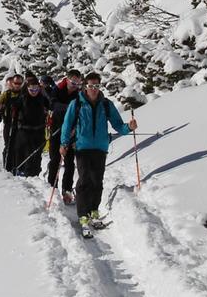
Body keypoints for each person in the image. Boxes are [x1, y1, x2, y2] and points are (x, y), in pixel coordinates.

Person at [60, 71, 136, 237]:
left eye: (96, 86)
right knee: (84, 180)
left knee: (97, 181)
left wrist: (129, 128)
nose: (94, 89)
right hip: (82, 147)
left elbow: (117, 125)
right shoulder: (77, 103)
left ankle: (94, 211)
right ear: (85, 86)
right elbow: (67, 124)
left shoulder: (106, 104)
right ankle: (83, 215)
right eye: (90, 86)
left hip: (101, 148)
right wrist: (64, 143)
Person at [46, 69, 83, 204]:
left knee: (69, 162)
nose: (75, 85)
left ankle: (66, 190)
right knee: (55, 159)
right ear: (67, 80)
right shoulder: (58, 89)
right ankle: (51, 188)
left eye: (78, 83)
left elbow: (81, 111)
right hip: (56, 128)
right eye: (73, 82)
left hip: (71, 131)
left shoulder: (79, 94)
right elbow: (53, 104)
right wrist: (69, 108)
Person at [10, 76, 51, 176]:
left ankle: (34, 173)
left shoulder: (42, 98)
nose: (34, 91)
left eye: (36, 89)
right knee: (23, 151)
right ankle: (21, 171)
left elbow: (50, 105)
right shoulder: (23, 98)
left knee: (36, 154)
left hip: (39, 130)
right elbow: (14, 108)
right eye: (31, 89)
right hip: (24, 131)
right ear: (27, 88)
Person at [0, 74, 24, 169]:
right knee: (8, 145)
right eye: (16, 83)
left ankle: (17, 166)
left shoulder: (24, 94)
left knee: (19, 146)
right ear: (12, 83)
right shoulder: (7, 94)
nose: (17, 85)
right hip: (8, 123)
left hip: (21, 124)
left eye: (19, 83)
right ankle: (7, 166)